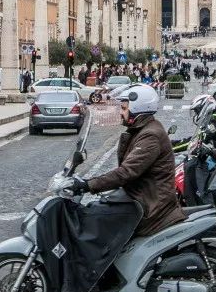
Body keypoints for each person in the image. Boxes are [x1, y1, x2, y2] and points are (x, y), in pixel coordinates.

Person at [71, 86, 187, 236]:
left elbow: (127, 172)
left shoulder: (150, 135)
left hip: (150, 207)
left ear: (137, 109)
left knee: (96, 220)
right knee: (99, 209)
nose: (120, 112)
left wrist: (87, 185)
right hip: (142, 196)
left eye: (124, 108)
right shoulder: (143, 130)